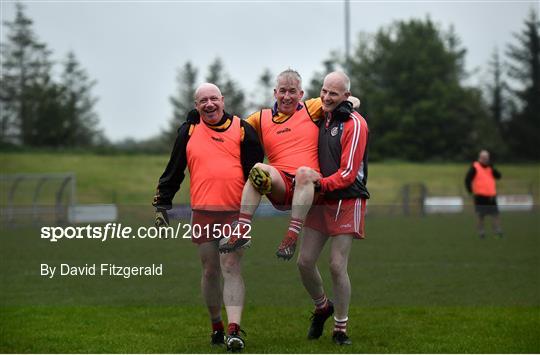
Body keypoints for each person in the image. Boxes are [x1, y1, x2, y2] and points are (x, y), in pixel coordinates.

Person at [152, 83, 263, 351]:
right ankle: (217, 326)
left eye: (213, 98)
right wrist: (162, 204)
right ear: (196, 105)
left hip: (235, 212)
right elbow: (174, 170)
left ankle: (234, 330)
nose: (209, 104)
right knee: (210, 270)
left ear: (223, 101)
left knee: (230, 267)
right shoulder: (188, 132)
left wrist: (250, 210)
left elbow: (256, 174)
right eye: (203, 101)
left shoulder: (242, 129)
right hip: (202, 212)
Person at [219, 69, 360, 259]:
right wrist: (203, 118)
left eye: (292, 91)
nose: (287, 96)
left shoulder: (312, 108)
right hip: (282, 186)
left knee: (302, 172)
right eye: (283, 91)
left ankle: (291, 237)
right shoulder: (261, 118)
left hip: (311, 186)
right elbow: (231, 130)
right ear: (275, 93)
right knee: (258, 170)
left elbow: (352, 99)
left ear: (300, 94)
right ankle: (242, 231)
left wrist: (346, 106)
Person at [288, 71, 370, 345]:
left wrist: (316, 185)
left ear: (346, 96)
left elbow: (348, 173)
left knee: (336, 265)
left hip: (348, 198)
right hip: (323, 197)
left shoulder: (356, 124)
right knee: (304, 262)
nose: (325, 97)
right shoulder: (322, 117)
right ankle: (323, 306)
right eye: (324, 91)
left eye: (333, 94)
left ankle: (340, 329)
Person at [465, 149, 503, 238]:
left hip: (491, 195)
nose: (486, 160)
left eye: (487, 158)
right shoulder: (475, 167)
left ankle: (497, 231)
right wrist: (470, 191)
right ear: (480, 158)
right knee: (480, 215)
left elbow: (499, 176)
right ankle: (481, 232)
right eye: (484, 158)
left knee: (495, 214)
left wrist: (493, 168)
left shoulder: (490, 167)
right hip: (480, 195)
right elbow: (467, 179)